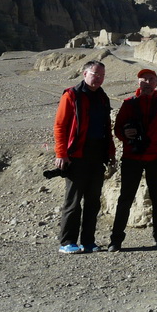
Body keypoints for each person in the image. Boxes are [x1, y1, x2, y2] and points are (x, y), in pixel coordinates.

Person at [108, 69, 157, 252]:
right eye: (143, 79)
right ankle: (116, 239)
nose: (146, 82)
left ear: (156, 83)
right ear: (138, 82)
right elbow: (117, 129)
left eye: (151, 79)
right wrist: (124, 134)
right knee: (126, 198)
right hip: (132, 157)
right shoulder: (129, 104)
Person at [52, 60, 116, 254]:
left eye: (102, 75)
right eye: (95, 74)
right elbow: (60, 126)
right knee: (73, 200)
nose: (98, 78)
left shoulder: (103, 97)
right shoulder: (71, 95)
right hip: (76, 155)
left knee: (93, 200)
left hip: (97, 155)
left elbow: (106, 128)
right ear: (84, 73)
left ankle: (88, 241)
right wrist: (61, 153)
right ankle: (68, 241)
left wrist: (110, 152)